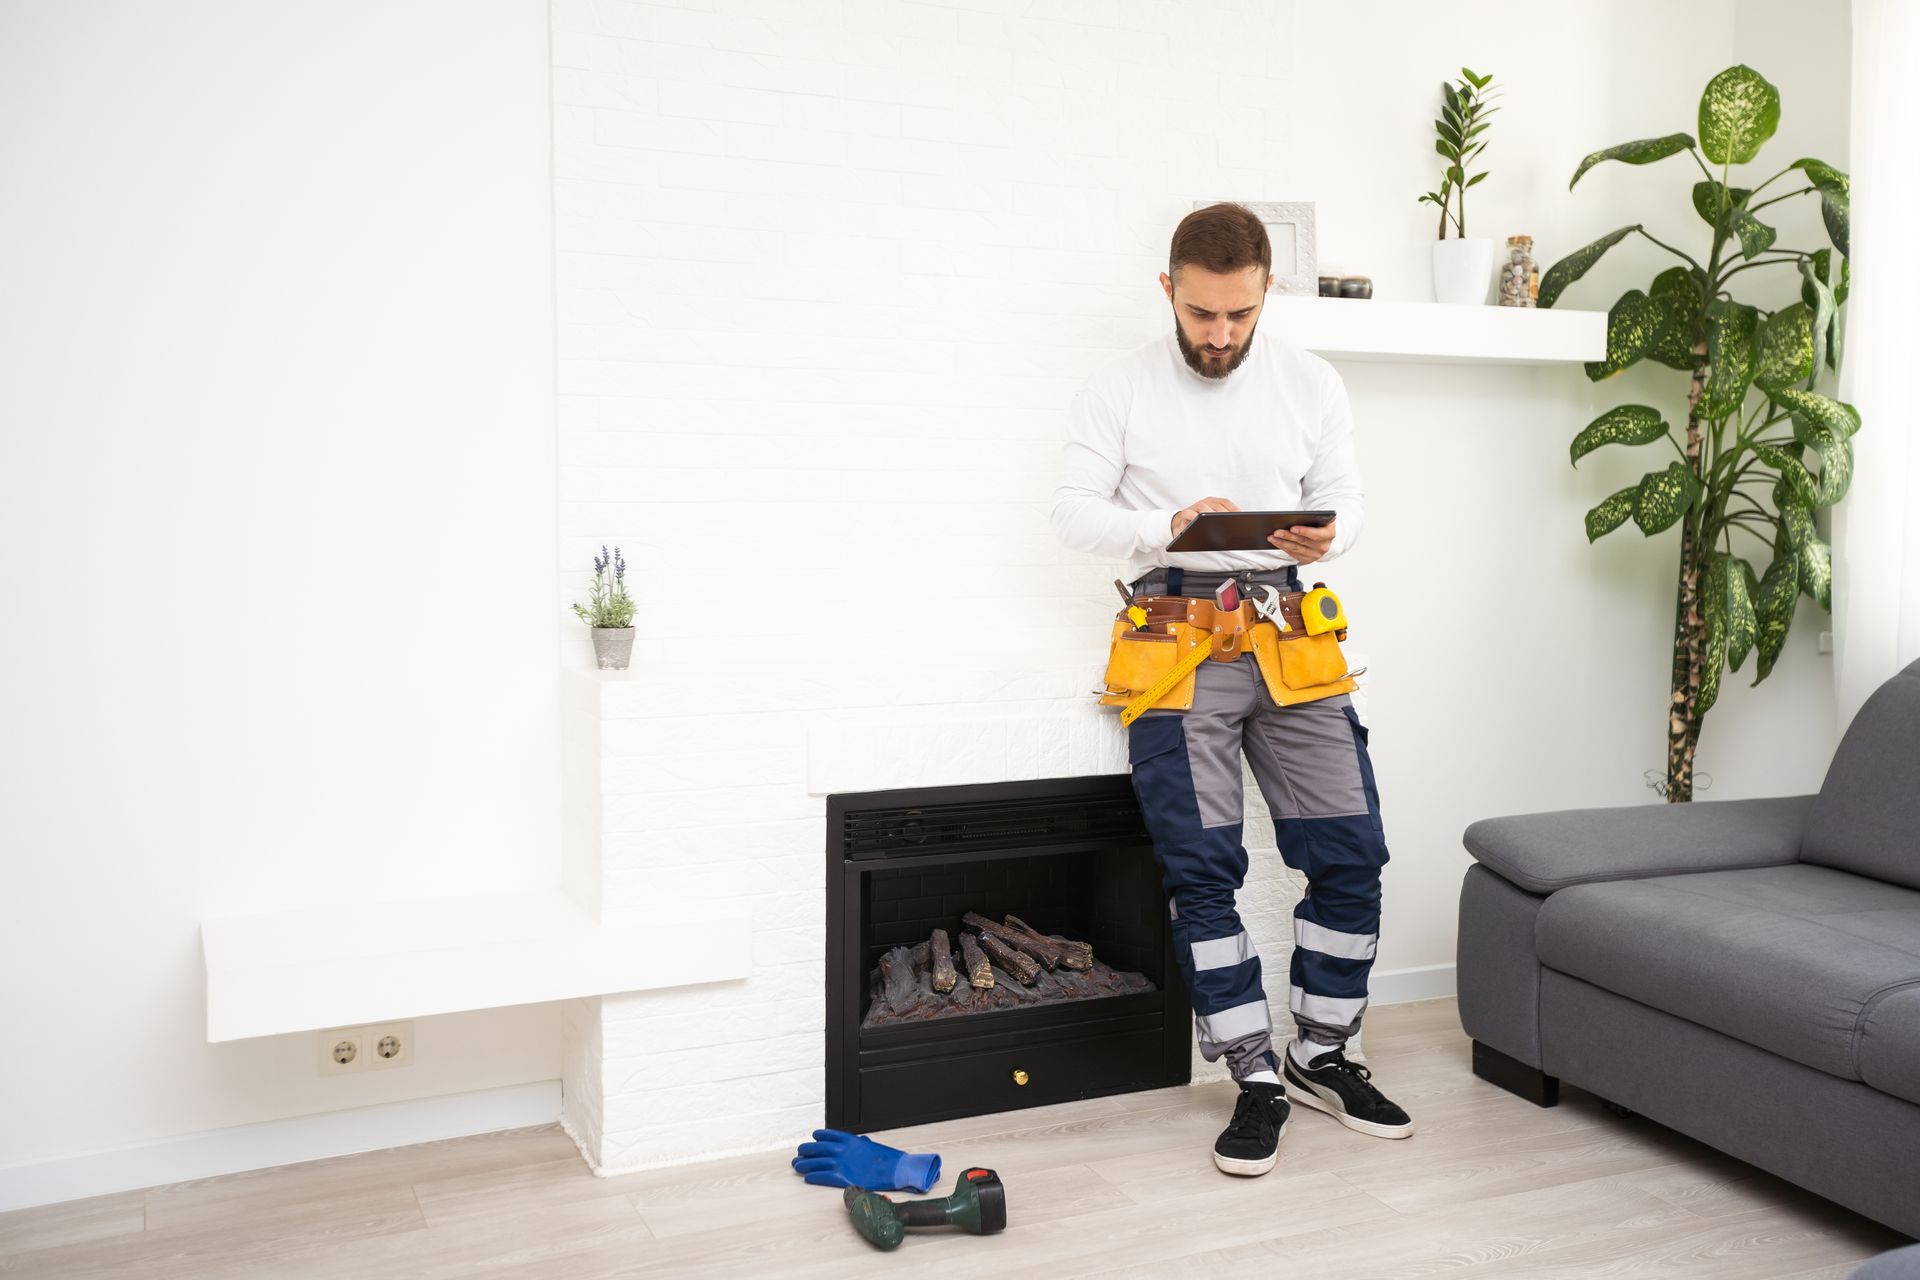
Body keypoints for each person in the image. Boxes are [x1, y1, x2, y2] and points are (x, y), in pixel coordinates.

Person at [1051, 202, 1413, 1178]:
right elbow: (1072, 511)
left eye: (1240, 316)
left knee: (1350, 853)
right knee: (1203, 870)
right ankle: (1253, 1076)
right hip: (1175, 634)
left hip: (1293, 633)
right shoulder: (1120, 387)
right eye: (1204, 314)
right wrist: (1168, 522)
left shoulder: (1311, 382)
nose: (1220, 335)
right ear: (1170, 289)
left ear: (1264, 295)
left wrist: (1326, 534)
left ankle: (1322, 1053)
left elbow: (1353, 501)